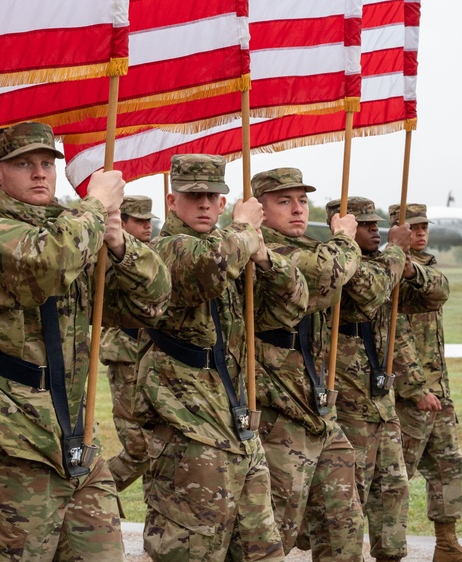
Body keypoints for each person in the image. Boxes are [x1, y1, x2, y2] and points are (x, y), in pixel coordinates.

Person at [0, 122, 170, 561]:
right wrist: (95, 208)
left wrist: (119, 242)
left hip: (77, 437)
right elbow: (46, 262)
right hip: (9, 441)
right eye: (24, 164)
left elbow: (154, 301)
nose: (39, 173)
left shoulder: (76, 233)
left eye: (47, 163)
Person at [137, 154, 308, 562]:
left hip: (239, 426)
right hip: (190, 431)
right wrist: (245, 228)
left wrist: (265, 258)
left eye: (214, 196)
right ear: (171, 201)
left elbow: (294, 303)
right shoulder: (164, 250)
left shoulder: (238, 249)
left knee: (262, 551)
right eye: (194, 195)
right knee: (192, 551)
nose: (205, 204)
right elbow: (206, 269)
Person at [251, 168, 364, 560]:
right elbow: (323, 273)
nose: (298, 209)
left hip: (317, 406)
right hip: (277, 410)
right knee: (274, 529)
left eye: (302, 200)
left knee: (344, 524)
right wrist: (345, 239)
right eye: (285, 201)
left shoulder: (309, 246)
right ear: (259, 211)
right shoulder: (264, 251)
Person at [391, 204, 462, 562]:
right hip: (406, 394)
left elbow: (440, 290)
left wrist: (411, 268)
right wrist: (415, 387)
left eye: (424, 227)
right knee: (395, 476)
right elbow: (394, 333)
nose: (420, 233)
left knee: (449, 464)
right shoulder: (384, 270)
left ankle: (447, 544)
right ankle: (389, 551)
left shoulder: (424, 270)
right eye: (413, 228)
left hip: (438, 389)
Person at [324, 197, 421, 562]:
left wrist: (407, 266)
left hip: (382, 400)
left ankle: (391, 554)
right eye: (365, 224)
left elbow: (436, 291)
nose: (375, 230)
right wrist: (396, 250)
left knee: (393, 486)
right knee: (351, 494)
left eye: (376, 224)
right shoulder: (339, 265)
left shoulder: (387, 264)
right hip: (349, 401)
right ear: (342, 226)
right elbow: (369, 289)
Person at [101, 195, 159, 492]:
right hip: (126, 355)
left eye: (150, 220)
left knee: (159, 450)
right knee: (140, 449)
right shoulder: (110, 257)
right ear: (122, 223)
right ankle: (82, 501)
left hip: (153, 357)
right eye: (139, 220)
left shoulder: (152, 256)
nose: (147, 226)